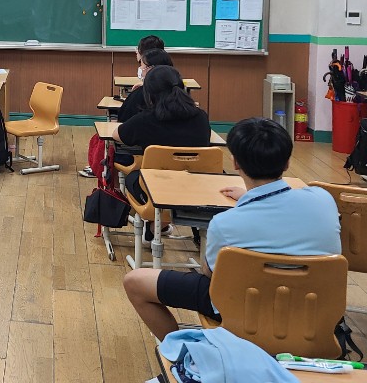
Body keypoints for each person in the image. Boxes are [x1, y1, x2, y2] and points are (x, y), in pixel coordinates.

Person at [123, 117, 341, 341]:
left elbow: (211, 277)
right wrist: (251, 197)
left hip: (245, 308)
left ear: (235, 163)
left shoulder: (224, 224)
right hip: (311, 308)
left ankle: (180, 352)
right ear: (286, 163)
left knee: (135, 282)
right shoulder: (324, 200)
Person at [116, 65, 211, 204]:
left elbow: (117, 135)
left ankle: (157, 223)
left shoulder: (145, 119)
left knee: (132, 178)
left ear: (148, 94)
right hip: (198, 188)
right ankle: (160, 223)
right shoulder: (201, 116)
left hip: (155, 189)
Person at [80, 35, 165, 178]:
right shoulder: (196, 117)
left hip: (139, 156)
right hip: (185, 171)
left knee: (106, 133)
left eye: (143, 67)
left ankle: (103, 166)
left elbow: (122, 124)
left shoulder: (144, 110)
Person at [117, 48, 174, 123]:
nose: (140, 69)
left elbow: (123, 119)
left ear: (151, 69)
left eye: (142, 66)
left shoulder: (141, 94)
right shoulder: (177, 91)